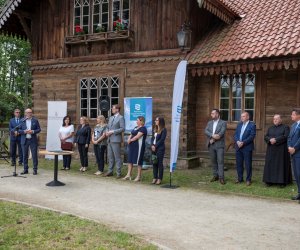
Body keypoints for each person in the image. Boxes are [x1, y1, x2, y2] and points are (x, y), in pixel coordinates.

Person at [263, 114, 292, 187]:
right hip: (271, 150)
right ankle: (269, 181)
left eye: (277, 119)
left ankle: (281, 182)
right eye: (274, 119)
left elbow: (286, 136)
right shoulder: (270, 128)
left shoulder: (285, 127)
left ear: (281, 120)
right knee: (270, 165)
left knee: (281, 165)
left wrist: (276, 140)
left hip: (281, 150)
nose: (275, 120)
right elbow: (266, 136)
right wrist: (270, 140)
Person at [204, 109, 227, 185]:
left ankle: (221, 178)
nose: (211, 115)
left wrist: (213, 139)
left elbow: (222, 132)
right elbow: (206, 131)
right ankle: (215, 175)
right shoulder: (209, 123)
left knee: (220, 161)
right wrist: (212, 136)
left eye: (213, 113)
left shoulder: (223, 122)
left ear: (217, 114)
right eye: (211, 113)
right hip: (211, 145)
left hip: (219, 145)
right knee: (213, 161)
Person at [234, 111, 256, 186]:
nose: (241, 118)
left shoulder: (252, 125)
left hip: (247, 147)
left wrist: (243, 142)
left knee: (248, 164)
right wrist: (237, 141)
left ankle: (248, 179)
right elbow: (236, 134)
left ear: (247, 117)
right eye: (241, 116)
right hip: (238, 147)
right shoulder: (239, 124)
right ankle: (240, 178)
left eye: (243, 116)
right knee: (239, 164)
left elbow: (252, 136)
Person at [123, 116, 147, 181]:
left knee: (139, 161)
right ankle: (128, 175)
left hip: (139, 146)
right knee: (130, 160)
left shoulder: (143, 128)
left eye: (137, 120)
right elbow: (131, 134)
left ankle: (138, 176)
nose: (136, 121)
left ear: (141, 121)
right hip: (132, 146)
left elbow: (137, 136)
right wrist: (128, 139)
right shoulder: (135, 127)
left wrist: (130, 140)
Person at [104, 104, 125, 178]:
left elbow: (122, 128)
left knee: (117, 157)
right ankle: (110, 171)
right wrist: (106, 132)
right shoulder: (111, 117)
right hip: (109, 139)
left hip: (116, 139)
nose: (112, 110)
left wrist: (112, 132)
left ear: (117, 109)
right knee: (110, 157)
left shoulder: (121, 118)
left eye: (113, 108)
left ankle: (118, 173)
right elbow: (107, 127)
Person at [19, 108, 41, 175]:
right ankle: (25, 169)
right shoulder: (22, 120)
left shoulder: (35, 120)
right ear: (25, 113)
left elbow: (39, 129)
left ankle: (35, 169)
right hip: (24, 140)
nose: (29, 113)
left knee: (34, 155)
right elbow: (19, 130)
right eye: (27, 112)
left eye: (30, 112)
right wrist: (24, 131)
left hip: (33, 140)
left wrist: (33, 131)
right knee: (24, 155)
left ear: (32, 113)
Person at [287, 108, 300, 202]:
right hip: (293, 153)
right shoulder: (293, 125)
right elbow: (289, 138)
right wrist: (289, 147)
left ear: (298, 115)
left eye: (293, 114)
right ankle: (299, 193)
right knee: (296, 174)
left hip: (298, 152)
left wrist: (294, 148)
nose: (291, 116)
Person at [151, 116, 167, 185]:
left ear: (160, 121)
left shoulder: (164, 130)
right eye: (155, 120)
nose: (155, 121)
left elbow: (162, 140)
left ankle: (159, 178)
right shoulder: (155, 129)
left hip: (160, 148)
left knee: (159, 163)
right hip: (153, 148)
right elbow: (152, 138)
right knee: (154, 162)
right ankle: (155, 177)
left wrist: (155, 146)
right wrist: (152, 145)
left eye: (156, 120)